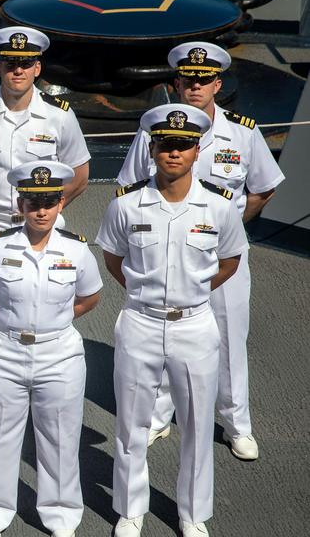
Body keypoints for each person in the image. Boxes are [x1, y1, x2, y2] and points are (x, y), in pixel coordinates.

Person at [117, 42, 284, 460]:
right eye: (188, 80)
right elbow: (131, 186)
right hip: (167, 254)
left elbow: (263, 187)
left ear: (217, 83)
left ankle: (235, 423)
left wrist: (225, 232)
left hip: (223, 257)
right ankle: (159, 415)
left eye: (203, 80)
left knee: (228, 339)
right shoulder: (152, 133)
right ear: (176, 84)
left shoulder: (242, 132)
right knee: (164, 332)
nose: (195, 86)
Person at [97, 104, 248, 537]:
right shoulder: (127, 205)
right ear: (152, 149)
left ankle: (193, 514)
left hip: (195, 325)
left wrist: (192, 293)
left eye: (182, 145)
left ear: (197, 149)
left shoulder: (218, 207)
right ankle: (130, 510)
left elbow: (230, 261)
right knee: (131, 423)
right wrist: (144, 293)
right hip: (140, 321)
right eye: (165, 145)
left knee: (197, 427)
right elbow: (113, 258)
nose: (173, 154)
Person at [0, 26, 90, 443]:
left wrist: (47, 210)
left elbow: (79, 173)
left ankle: (35, 395)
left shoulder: (59, 115)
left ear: (38, 67)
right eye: (11, 63)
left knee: (43, 304)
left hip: (41, 226)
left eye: (26, 63)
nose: (18, 70)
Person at [0, 161, 101, 537]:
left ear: (60, 203)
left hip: (59, 355)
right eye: (32, 202)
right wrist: (10, 320)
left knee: (59, 437)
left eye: (48, 202)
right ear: (21, 204)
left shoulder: (76, 249)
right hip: (5, 352)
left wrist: (54, 322)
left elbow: (91, 296)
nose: (41, 210)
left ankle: (61, 516)